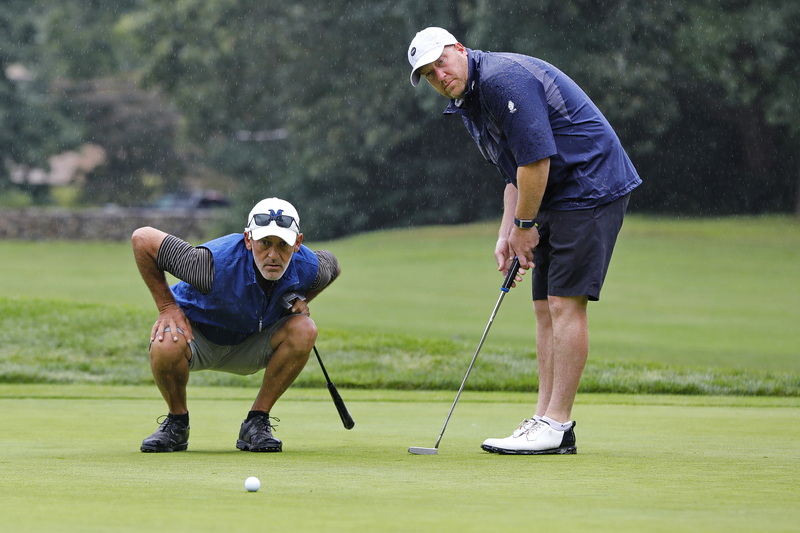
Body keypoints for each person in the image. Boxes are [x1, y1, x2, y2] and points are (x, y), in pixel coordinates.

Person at [408, 27, 641, 455]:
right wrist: (507, 233)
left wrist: (524, 226)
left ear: (460, 49)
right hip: (554, 190)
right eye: (427, 74)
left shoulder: (501, 79)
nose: (438, 75)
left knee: (564, 302)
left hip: (589, 184)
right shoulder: (470, 102)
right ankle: (543, 419)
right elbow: (514, 173)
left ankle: (557, 423)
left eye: (441, 62)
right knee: (542, 308)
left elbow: (536, 160)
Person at [131, 197, 340, 453]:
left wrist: (301, 299)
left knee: (304, 328)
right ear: (248, 239)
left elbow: (332, 265)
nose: (273, 255)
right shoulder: (208, 265)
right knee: (165, 340)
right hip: (197, 338)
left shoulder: (308, 267)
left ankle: (256, 423)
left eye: (283, 244)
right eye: (264, 243)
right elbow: (142, 238)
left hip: (253, 340)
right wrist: (167, 307)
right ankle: (177, 424)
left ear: (297, 243)